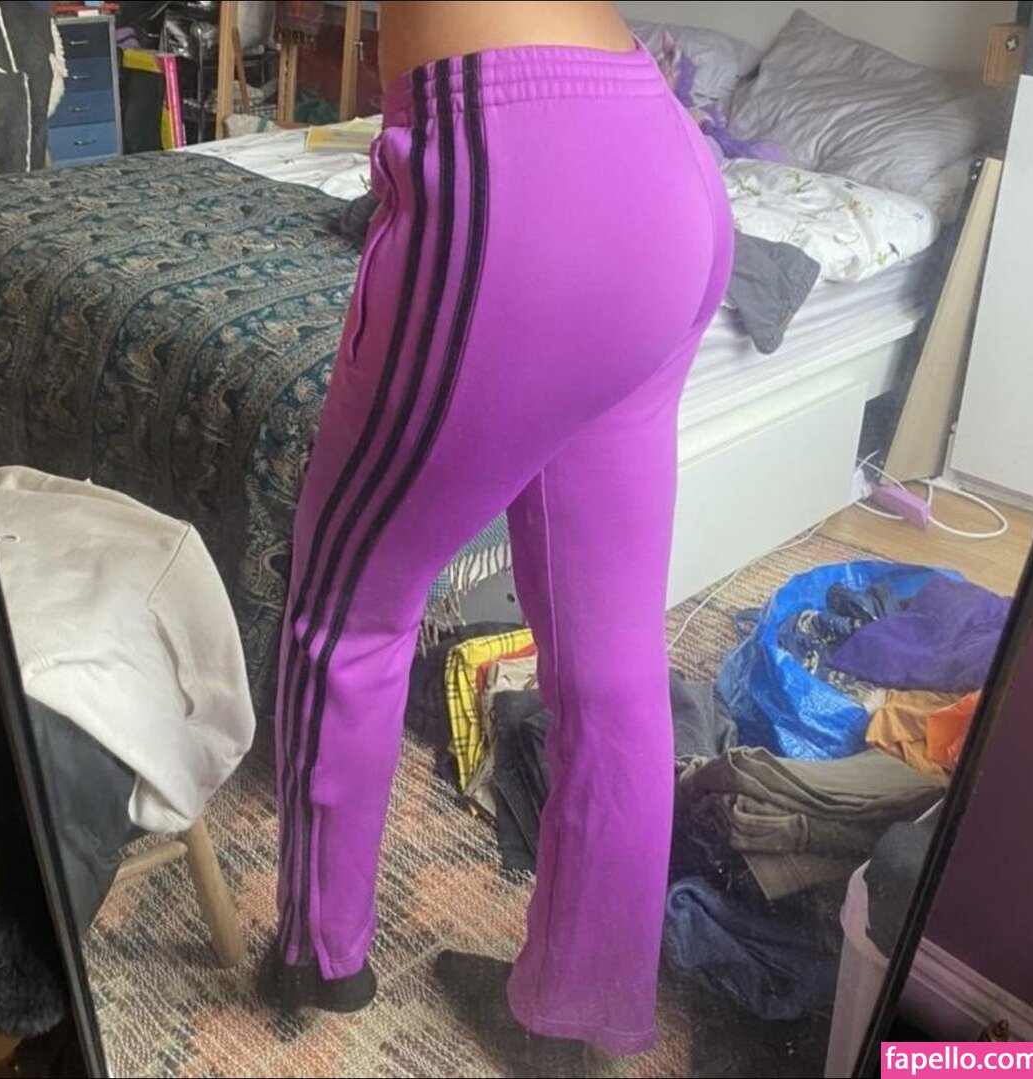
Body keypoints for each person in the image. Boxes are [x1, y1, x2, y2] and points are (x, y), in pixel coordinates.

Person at [257, 2, 733, 1074]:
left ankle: (317, 956)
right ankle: (575, 1010)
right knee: (612, 668)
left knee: (346, 611)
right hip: (663, 155)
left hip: (510, 156)